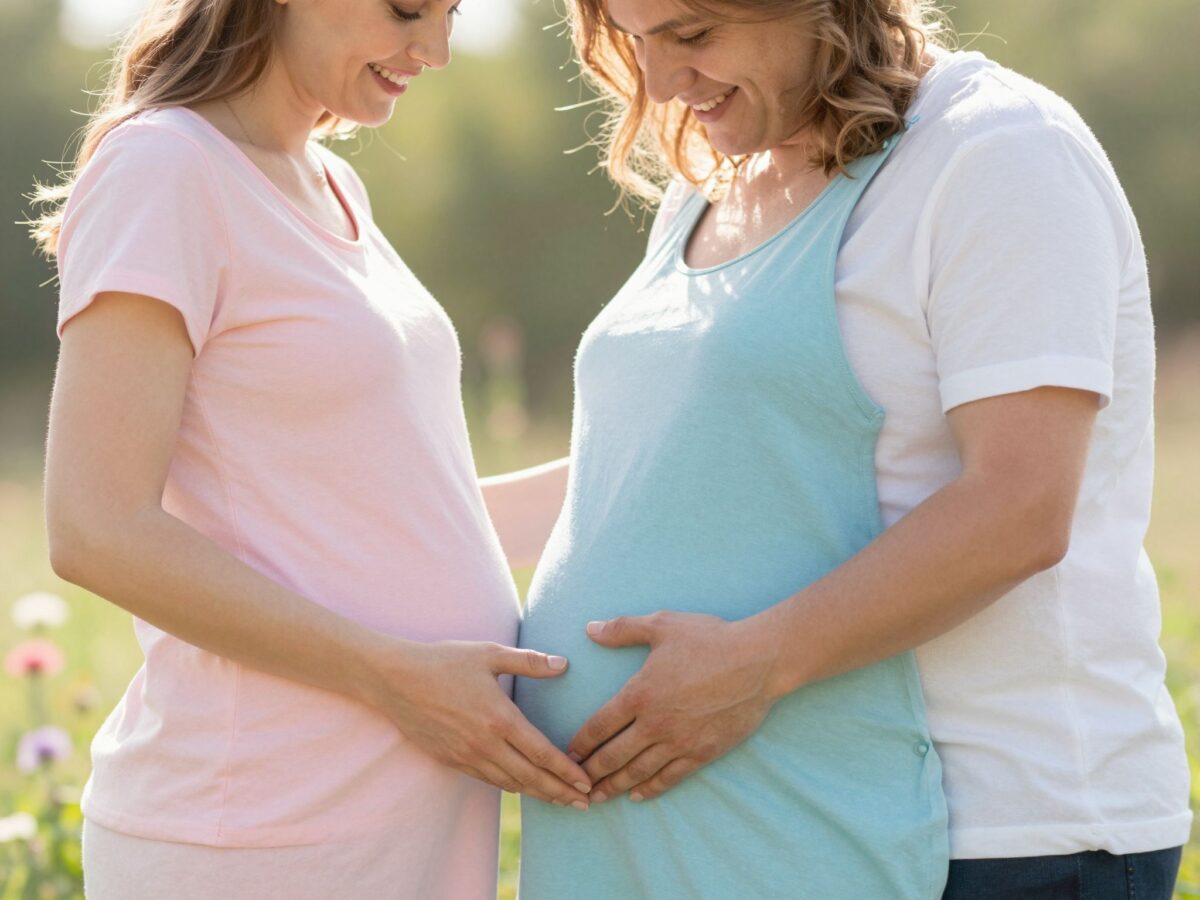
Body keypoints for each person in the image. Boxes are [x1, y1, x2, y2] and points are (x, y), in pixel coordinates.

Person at [502, 0, 1193, 896]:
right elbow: (649, 476)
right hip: (788, 822)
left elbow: (1019, 508)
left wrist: (754, 664)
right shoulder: (718, 175)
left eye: (692, 34)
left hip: (1000, 830)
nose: (663, 82)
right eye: (634, 42)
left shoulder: (997, 152)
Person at [30, 1, 593, 897]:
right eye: (409, 8)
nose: (437, 49)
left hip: (407, 810)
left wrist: (646, 471)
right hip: (259, 828)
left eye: (451, 13)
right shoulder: (164, 167)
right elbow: (96, 527)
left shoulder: (329, 181)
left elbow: (380, 519)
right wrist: (397, 680)